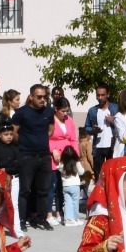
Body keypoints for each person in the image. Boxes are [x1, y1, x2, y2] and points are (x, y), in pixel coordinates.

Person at [48, 96, 80, 226]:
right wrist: (52, 150)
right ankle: (49, 213)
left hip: (67, 157)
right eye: (63, 111)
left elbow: (73, 139)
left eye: (67, 111)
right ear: (56, 109)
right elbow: (46, 137)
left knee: (63, 186)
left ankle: (60, 212)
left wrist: (76, 156)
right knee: (52, 185)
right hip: (53, 156)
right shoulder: (50, 121)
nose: (65, 114)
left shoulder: (69, 120)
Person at [84, 85, 115, 175]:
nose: (100, 98)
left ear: (108, 95)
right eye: (98, 95)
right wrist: (93, 130)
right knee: (99, 175)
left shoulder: (115, 109)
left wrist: (113, 121)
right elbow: (87, 127)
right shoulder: (92, 111)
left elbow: (123, 125)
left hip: (112, 146)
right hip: (98, 147)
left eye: (102, 95)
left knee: (112, 173)